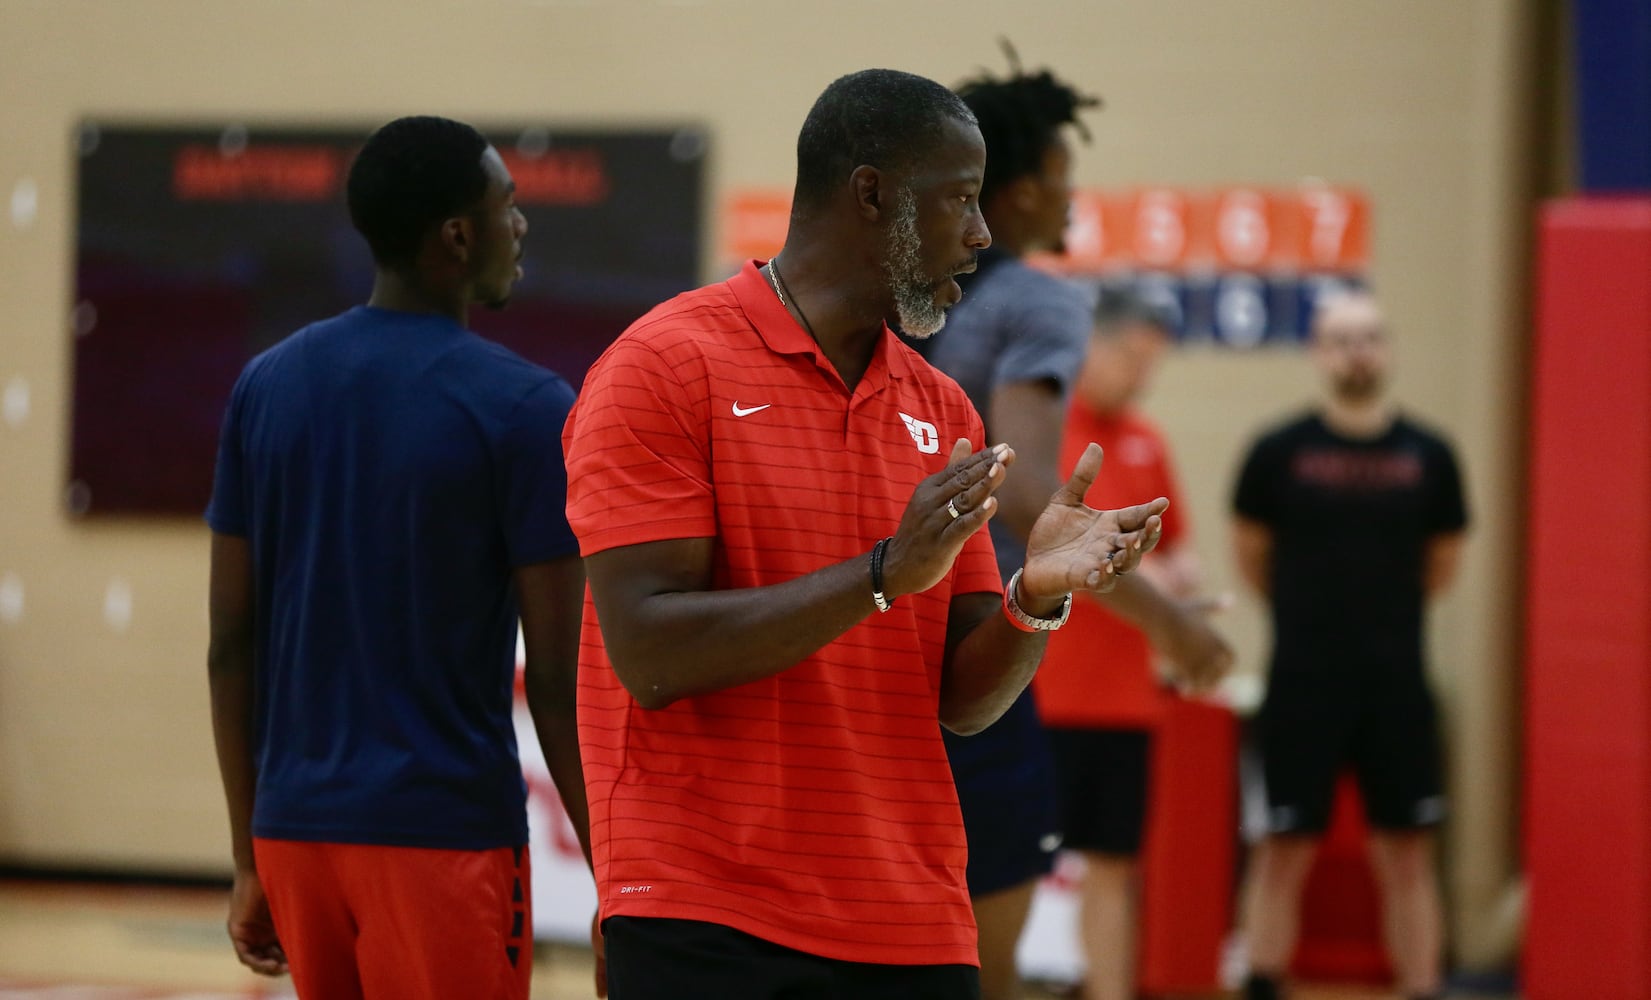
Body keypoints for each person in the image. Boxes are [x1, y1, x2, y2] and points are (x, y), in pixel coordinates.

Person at [560, 68, 1172, 1000]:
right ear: (872, 194)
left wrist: (1032, 599)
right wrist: (883, 575)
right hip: (706, 912)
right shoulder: (663, 366)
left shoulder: (940, 405)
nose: (979, 235)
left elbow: (960, 701)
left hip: (909, 921)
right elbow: (650, 651)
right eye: (959, 202)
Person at [205, 115, 597, 1000]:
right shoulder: (526, 408)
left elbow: (231, 643)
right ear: (458, 235)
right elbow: (563, 685)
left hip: (293, 832)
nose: (521, 224)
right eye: (508, 204)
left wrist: (246, 856)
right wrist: (621, 881)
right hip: (441, 839)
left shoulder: (263, 386)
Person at [920, 57, 1231, 1000]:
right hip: (973, 647)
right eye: (1062, 175)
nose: (1073, 196)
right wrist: (1171, 623)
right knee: (985, 955)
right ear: (1014, 194)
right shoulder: (1039, 300)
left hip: (864, 622)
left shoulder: (884, 297)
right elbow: (1025, 495)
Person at [1231, 291, 1468, 1000]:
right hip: (1301, 687)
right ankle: (1264, 983)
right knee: (1282, 850)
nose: (1356, 351)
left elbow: (1442, 566)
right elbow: (1251, 557)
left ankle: (1420, 986)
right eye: (1340, 339)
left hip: (1395, 688)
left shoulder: (1430, 456)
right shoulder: (1277, 453)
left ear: (1386, 349)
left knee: (1406, 854)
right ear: (1318, 352)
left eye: (1369, 338)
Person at [1033, 288, 1229, 1000]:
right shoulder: (1046, 434)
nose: (1142, 375)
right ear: (1091, 345)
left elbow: (1180, 558)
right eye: (1131, 357)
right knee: (1018, 867)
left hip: (1124, 704)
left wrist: (1185, 592)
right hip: (1044, 696)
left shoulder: (1149, 442)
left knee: (1114, 867)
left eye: (1153, 362)